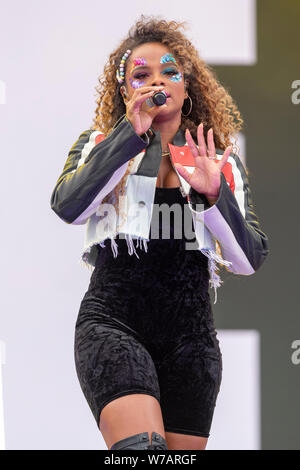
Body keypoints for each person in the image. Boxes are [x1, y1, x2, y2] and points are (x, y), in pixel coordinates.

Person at [50, 16, 270, 450]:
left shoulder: (217, 161)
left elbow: (247, 260)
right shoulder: (97, 145)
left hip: (191, 339)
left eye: (170, 72)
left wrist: (212, 192)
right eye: (141, 75)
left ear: (187, 88)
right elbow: (70, 208)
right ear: (126, 90)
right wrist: (127, 137)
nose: (157, 82)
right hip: (113, 323)